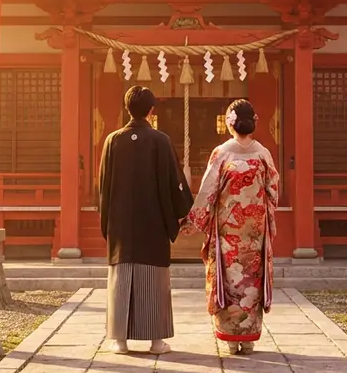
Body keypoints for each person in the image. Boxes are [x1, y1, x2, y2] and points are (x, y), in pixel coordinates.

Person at [98, 85, 192, 355]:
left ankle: (119, 341)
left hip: (121, 225)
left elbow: (103, 187)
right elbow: (176, 184)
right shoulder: (160, 141)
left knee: (121, 278)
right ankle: (156, 342)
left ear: (127, 108)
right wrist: (182, 214)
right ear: (152, 110)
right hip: (153, 224)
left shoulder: (112, 141)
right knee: (154, 280)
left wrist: (107, 222)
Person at [182, 99, 279, 355]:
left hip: (228, 230)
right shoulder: (263, 154)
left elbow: (207, 193)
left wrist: (194, 220)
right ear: (254, 122)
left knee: (229, 278)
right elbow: (273, 191)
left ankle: (230, 338)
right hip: (254, 232)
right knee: (252, 282)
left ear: (229, 122)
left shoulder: (221, 153)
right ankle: (248, 338)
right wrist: (263, 216)